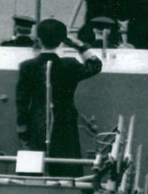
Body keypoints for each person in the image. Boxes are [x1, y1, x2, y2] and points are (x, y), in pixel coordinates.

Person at [15, 18, 102, 177]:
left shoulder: (27, 66)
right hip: (65, 124)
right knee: (66, 169)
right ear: (62, 41)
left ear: (38, 39)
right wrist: (79, 46)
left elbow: (21, 103)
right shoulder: (70, 65)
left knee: (32, 171)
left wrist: (23, 132)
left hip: (36, 124)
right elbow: (95, 65)